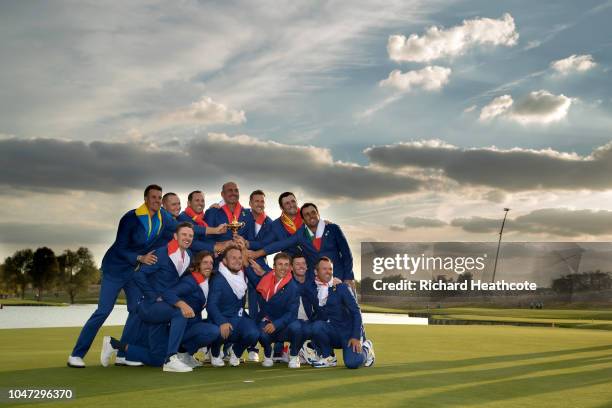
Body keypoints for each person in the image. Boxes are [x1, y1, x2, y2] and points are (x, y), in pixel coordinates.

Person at [68, 185, 165, 368]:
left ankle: (122, 354)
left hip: (133, 272)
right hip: (114, 269)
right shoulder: (131, 218)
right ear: (145, 199)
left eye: (159, 198)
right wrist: (140, 258)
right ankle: (76, 354)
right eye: (153, 197)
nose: (157, 201)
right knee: (103, 310)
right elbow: (120, 248)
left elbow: (179, 225)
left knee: (137, 309)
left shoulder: (161, 218)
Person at [100, 250, 220, 372]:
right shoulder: (190, 281)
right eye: (205, 262)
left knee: (210, 331)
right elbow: (169, 293)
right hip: (164, 325)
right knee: (158, 359)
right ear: (197, 265)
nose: (209, 265)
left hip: (183, 327)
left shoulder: (208, 282)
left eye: (211, 263)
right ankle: (116, 345)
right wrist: (181, 304)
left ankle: (183, 355)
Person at [132, 222, 196, 372]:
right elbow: (139, 275)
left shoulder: (188, 255)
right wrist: (153, 296)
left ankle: (114, 345)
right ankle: (171, 359)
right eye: (184, 234)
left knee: (156, 357)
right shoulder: (161, 253)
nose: (187, 238)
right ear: (175, 236)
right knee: (180, 312)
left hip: (164, 307)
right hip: (149, 306)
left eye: (190, 236)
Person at [255, 202, 355, 288]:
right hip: (316, 282)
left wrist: (348, 277)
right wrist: (257, 254)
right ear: (303, 219)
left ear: (318, 214)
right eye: (307, 214)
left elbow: (347, 254)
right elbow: (280, 245)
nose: (311, 216)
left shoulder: (333, 228)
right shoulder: (301, 234)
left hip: (339, 278)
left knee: (348, 309)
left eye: (313, 212)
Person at [310, 257, 374, 369]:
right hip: (332, 332)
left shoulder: (341, 287)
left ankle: (367, 349)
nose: (328, 272)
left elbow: (356, 312)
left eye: (330, 269)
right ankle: (328, 357)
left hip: (348, 334)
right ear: (316, 271)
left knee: (352, 363)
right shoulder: (315, 289)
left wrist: (356, 336)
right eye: (324, 269)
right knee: (316, 326)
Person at [245, 253, 301, 368]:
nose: (283, 268)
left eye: (286, 265)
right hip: (268, 321)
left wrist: (276, 324)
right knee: (259, 330)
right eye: (280, 264)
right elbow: (252, 275)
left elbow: (292, 313)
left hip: (285, 324)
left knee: (297, 327)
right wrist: (245, 259)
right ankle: (267, 353)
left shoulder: (293, 287)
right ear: (274, 266)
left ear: (290, 268)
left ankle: (294, 356)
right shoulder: (266, 280)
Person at [206, 245, 259, 367]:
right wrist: (221, 322)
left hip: (238, 319)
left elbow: (259, 284)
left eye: (240, 258)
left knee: (254, 333)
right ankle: (214, 353)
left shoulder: (241, 276)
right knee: (217, 331)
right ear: (224, 261)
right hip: (222, 319)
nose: (237, 261)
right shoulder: (218, 279)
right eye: (233, 258)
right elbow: (211, 305)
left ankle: (236, 353)